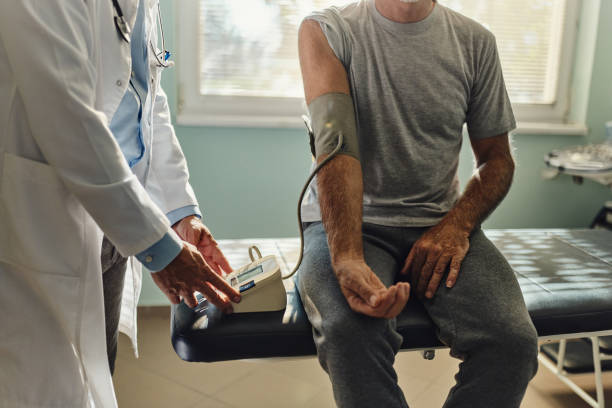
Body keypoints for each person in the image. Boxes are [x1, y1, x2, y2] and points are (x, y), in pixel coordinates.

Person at [296, 0, 539, 407]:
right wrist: (348, 257)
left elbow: (497, 160)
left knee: (512, 343)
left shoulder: (475, 42)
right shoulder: (327, 30)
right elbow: (335, 145)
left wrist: (456, 226)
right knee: (351, 333)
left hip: (441, 223)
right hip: (351, 224)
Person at [0, 1, 240, 407]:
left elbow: (147, 100)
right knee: (42, 386)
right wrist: (158, 246)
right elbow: (67, 117)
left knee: (97, 366)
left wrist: (178, 214)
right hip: (43, 218)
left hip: (118, 226)